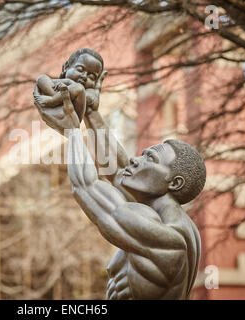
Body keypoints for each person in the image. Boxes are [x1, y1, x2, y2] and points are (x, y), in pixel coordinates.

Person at [34, 69, 206, 299]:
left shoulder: (168, 237)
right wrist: (92, 113)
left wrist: (72, 132)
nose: (135, 159)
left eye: (150, 159)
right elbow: (119, 174)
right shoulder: (171, 220)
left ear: (174, 183)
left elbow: (86, 187)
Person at [34, 48, 106, 121]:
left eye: (91, 77)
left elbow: (76, 92)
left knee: (79, 88)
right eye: (80, 69)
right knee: (42, 78)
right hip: (59, 107)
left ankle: (52, 101)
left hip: (72, 116)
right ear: (66, 67)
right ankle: (55, 100)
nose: (84, 76)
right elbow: (47, 82)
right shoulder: (65, 82)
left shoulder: (91, 93)